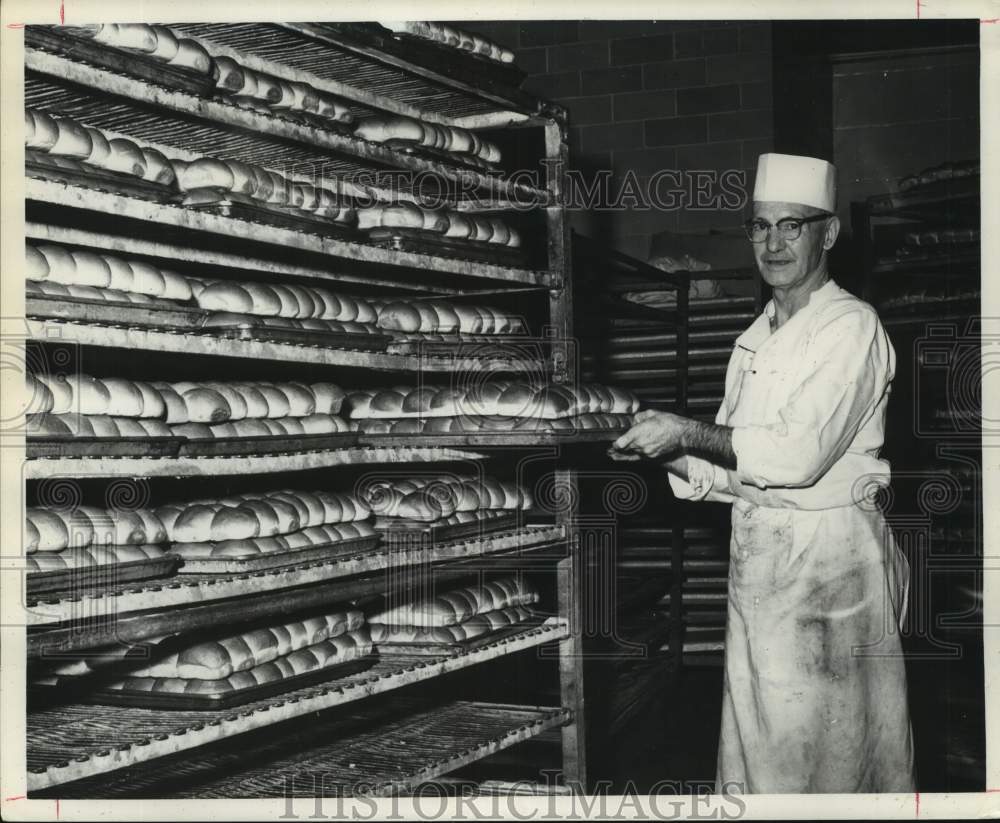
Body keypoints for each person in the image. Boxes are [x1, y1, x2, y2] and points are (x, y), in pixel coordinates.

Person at [611, 153, 915, 794]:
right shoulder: (753, 339)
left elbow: (795, 458)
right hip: (760, 570)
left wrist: (687, 430)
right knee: (761, 754)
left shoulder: (850, 327)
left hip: (831, 570)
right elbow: (734, 470)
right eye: (760, 226)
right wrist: (663, 448)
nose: (773, 243)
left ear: (827, 233)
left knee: (837, 758)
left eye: (792, 226)